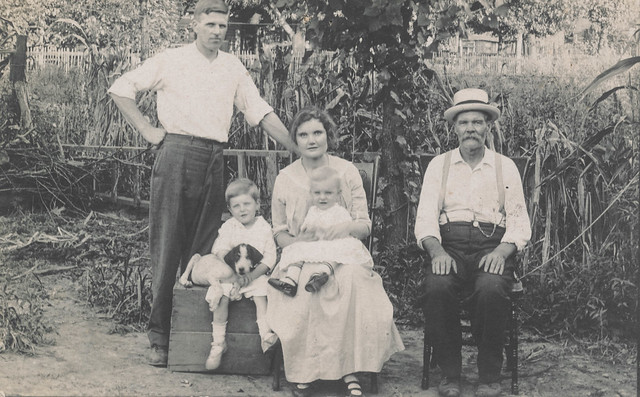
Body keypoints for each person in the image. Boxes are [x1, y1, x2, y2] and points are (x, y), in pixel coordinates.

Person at [107, 0, 298, 367]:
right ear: (194, 24)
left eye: (222, 26)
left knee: (205, 250)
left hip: (214, 158)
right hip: (176, 153)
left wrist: (295, 147)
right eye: (209, 24)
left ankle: (191, 337)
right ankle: (160, 337)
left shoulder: (233, 67)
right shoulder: (172, 59)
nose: (216, 31)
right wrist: (147, 129)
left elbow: (259, 112)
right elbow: (120, 89)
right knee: (167, 247)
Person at [266, 107, 404, 397]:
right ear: (295, 140)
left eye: (317, 132)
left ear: (328, 136)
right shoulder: (285, 178)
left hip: (343, 252)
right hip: (300, 252)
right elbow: (279, 231)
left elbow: (363, 225)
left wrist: (336, 232)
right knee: (303, 286)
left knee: (352, 280)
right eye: (303, 135)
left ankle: (349, 369)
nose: (311, 140)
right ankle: (306, 371)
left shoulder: (346, 171)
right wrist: (301, 245)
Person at [414, 88, 531, 397]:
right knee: (438, 287)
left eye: (477, 122)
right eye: (464, 122)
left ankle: (489, 374)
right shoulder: (438, 166)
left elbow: (519, 222)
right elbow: (425, 219)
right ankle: (450, 374)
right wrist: (436, 250)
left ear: (487, 127)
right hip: (448, 244)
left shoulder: (505, 167)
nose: (470, 129)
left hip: (490, 245)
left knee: (491, 288)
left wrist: (503, 251)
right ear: (454, 128)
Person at [179, 178, 278, 370]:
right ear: (230, 209)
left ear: (257, 204)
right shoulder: (229, 226)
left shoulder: (264, 228)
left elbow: (269, 259)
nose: (242, 209)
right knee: (222, 297)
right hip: (231, 275)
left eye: (247, 204)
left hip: (254, 276)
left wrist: (251, 276)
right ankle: (218, 343)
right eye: (236, 206)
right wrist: (233, 272)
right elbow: (220, 250)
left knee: (261, 295)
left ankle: (266, 335)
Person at [268, 166, 372, 296]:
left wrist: (337, 230)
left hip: (333, 242)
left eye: (328, 193)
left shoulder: (339, 211)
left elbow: (346, 229)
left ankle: (322, 273)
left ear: (338, 194)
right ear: (312, 193)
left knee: (343, 249)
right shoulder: (312, 211)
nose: (322, 197)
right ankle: (291, 280)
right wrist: (306, 233)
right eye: (317, 193)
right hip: (316, 243)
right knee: (297, 248)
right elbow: (306, 228)